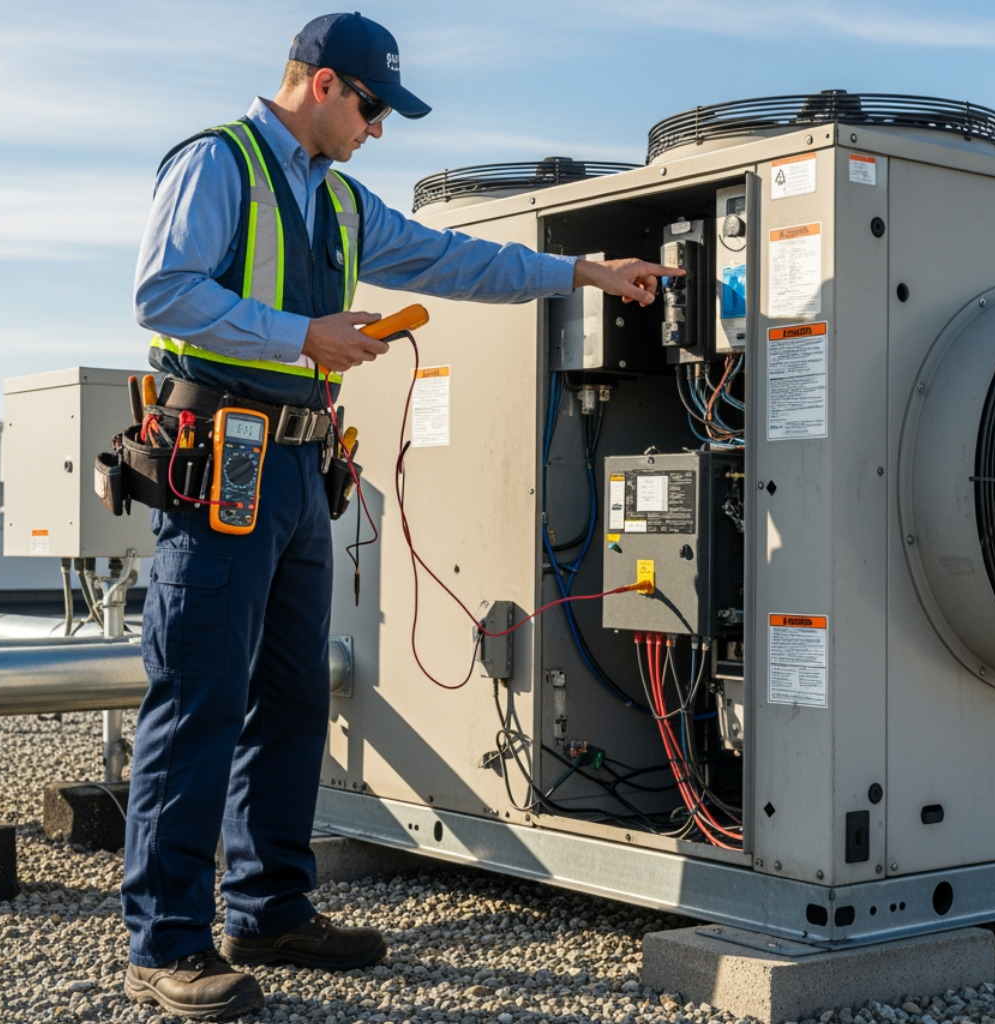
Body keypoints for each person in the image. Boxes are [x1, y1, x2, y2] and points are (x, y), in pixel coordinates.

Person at [124, 12, 677, 1020]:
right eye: (374, 109)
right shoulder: (219, 164)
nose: (379, 131)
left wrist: (585, 273)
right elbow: (162, 294)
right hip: (220, 466)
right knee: (196, 699)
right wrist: (305, 335)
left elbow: (452, 259)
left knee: (292, 699)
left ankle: (267, 906)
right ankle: (165, 943)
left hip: (297, 474)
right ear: (327, 85)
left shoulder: (338, 203)